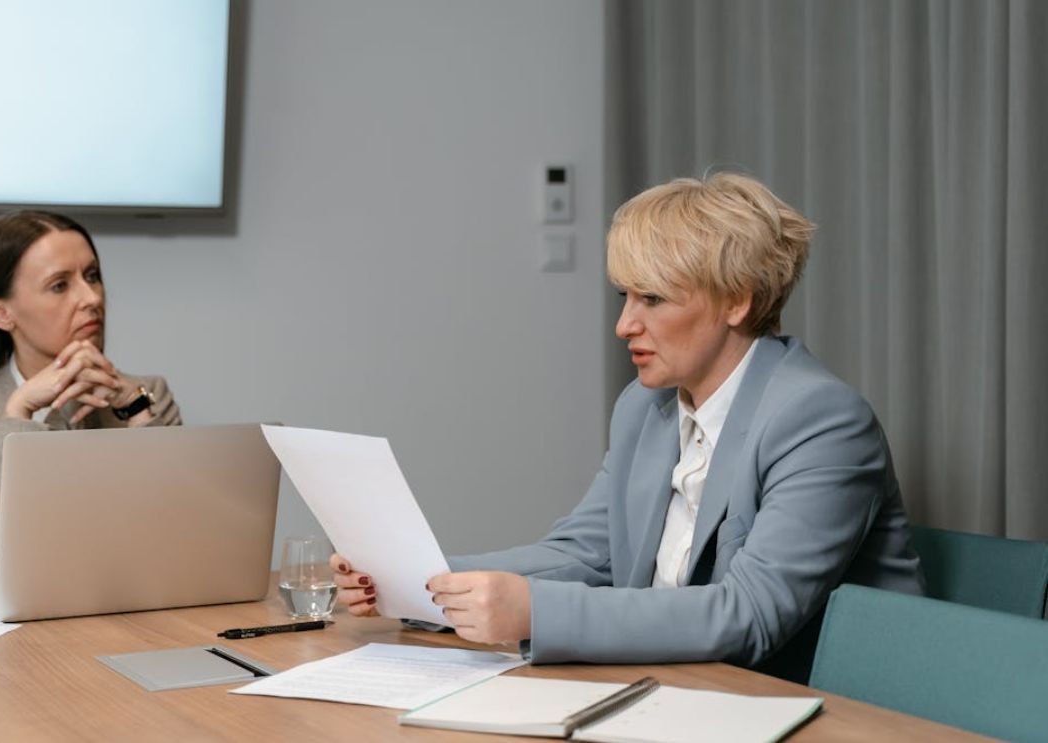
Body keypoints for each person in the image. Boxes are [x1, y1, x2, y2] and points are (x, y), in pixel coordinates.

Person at [332, 173, 924, 680]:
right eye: (624, 295)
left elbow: (750, 615)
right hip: (678, 688)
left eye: (653, 299)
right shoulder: (646, 407)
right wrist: (417, 581)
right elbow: (588, 554)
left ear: (737, 301)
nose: (624, 325)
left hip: (823, 709)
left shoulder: (821, 420)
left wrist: (536, 612)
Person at [0, 211, 181, 594]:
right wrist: (18, 413)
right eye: (59, 285)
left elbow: (174, 544)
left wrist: (135, 413)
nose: (92, 299)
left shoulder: (146, 394)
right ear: (1, 313)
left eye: (92, 276)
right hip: (1, 630)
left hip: (120, 612)